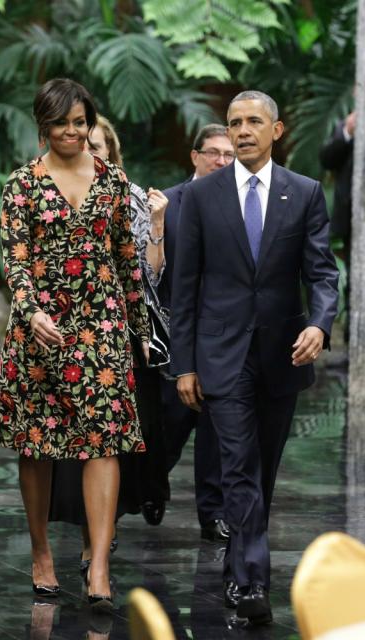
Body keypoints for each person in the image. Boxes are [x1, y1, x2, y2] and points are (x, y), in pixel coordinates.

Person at [0, 78, 150, 613]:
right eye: (62, 123)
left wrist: (140, 329)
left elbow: (125, 258)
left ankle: (98, 565)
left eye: (81, 122)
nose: (73, 132)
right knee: (38, 445)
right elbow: (16, 262)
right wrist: (32, 312)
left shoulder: (114, 182)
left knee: (103, 441)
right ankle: (41, 551)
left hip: (102, 328)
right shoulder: (21, 185)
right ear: (43, 125)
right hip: (41, 333)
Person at [170, 90, 339, 625]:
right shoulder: (201, 198)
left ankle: (238, 567)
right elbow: (186, 286)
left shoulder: (305, 192)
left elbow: (322, 273)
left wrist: (319, 322)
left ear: (276, 130)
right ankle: (250, 584)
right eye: (234, 122)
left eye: (253, 122)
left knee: (261, 472)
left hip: (281, 354)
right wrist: (185, 365)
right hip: (221, 356)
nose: (242, 131)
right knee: (239, 467)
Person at [48, 115, 170, 576]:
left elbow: (150, 274)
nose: (90, 149)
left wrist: (156, 224)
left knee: (113, 443)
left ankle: (102, 537)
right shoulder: (50, 190)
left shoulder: (131, 196)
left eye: (98, 144)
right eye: (84, 142)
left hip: (122, 334)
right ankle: (89, 538)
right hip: (65, 336)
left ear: (112, 152)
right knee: (76, 443)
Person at [158, 124, 235, 542]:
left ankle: (213, 512)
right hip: (176, 334)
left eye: (228, 155)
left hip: (223, 336)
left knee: (216, 432)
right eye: (213, 153)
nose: (221, 161)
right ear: (195, 156)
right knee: (169, 426)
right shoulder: (167, 203)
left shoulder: (239, 203)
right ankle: (151, 487)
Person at [319, 110, 355, 342]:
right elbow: (327, 159)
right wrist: (348, 132)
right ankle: (353, 350)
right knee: (356, 283)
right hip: (356, 220)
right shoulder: (349, 123)